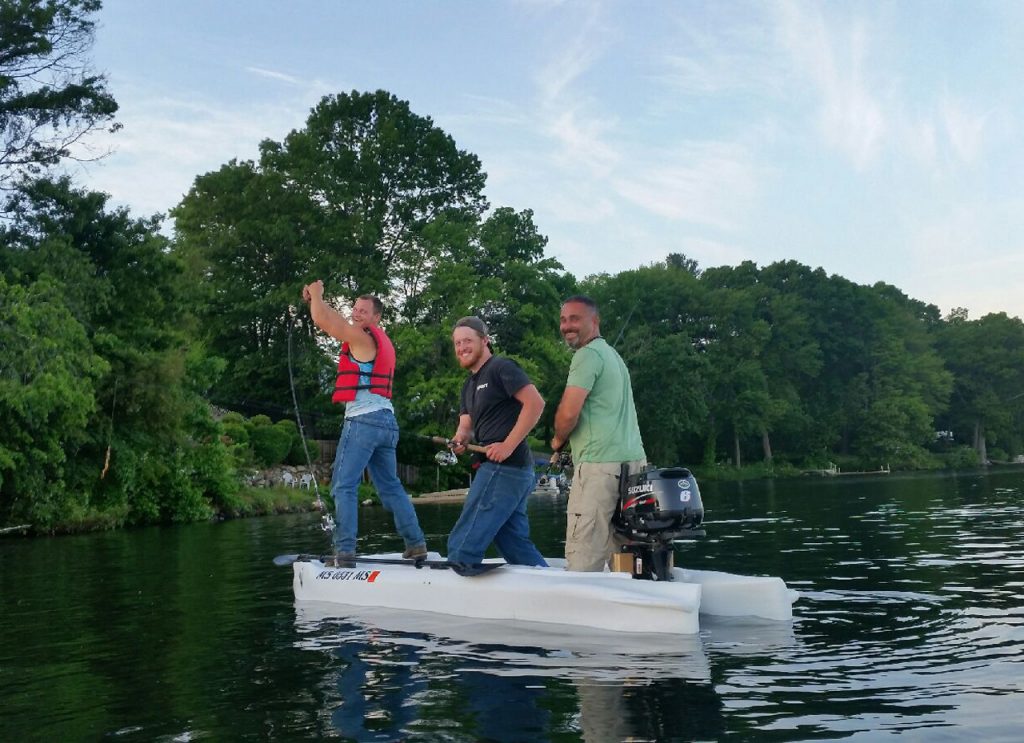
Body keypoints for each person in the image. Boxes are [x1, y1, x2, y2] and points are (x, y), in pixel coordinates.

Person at [302, 281, 427, 560]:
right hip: (386, 422)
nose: (356, 314)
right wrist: (317, 299)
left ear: (376, 318)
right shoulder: (374, 339)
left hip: (363, 422)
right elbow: (333, 318)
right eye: (355, 309)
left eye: (363, 311)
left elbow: (323, 319)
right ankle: (416, 544)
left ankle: (344, 551)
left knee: (343, 486)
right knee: (390, 486)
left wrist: (318, 296)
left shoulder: (362, 339)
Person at [550, 295, 646, 572]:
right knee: (624, 552)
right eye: (563, 319)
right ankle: (635, 601)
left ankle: (580, 607)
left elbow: (569, 413)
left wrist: (557, 441)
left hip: (599, 468)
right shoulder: (614, 356)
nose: (567, 326)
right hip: (634, 468)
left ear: (595, 320)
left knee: (584, 554)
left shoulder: (587, 355)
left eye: (575, 319)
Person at [446, 316, 548, 567]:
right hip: (513, 471)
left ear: (485, 340)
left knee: (463, 545)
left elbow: (536, 404)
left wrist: (507, 445)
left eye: (468, 341)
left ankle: (457, 578)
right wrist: (459, 440)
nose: (462, 348)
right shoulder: (468, 385)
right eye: (457, 343)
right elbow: (466, 427)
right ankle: (546, 586)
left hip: (505, 469)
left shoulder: (501, 367)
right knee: (512, 542)